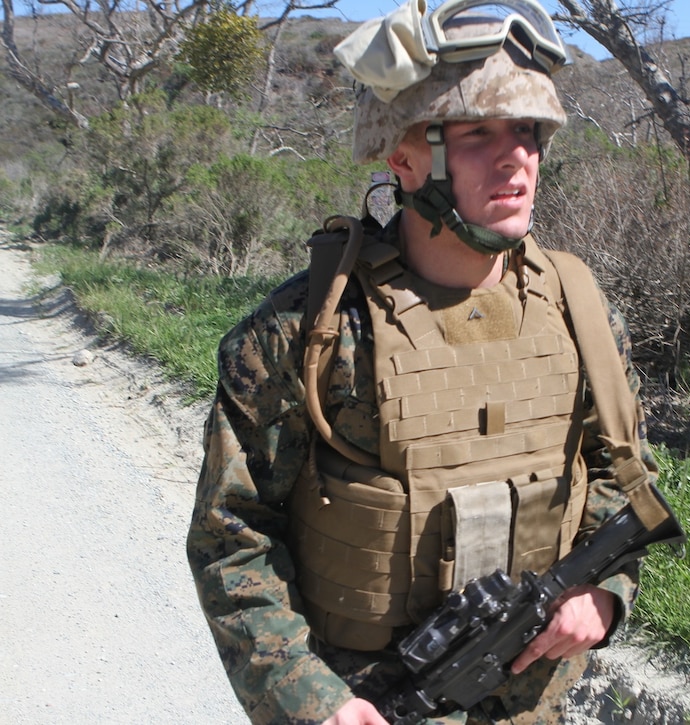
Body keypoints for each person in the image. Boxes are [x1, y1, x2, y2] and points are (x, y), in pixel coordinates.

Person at [186, 0, 658, 722]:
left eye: (529, 132)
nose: (516, 158)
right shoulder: (307, 333)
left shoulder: (581, 313)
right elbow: (233, 537)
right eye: (477, 133)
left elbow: (621, 476)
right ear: (402, 158)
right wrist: (313, 701)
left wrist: (605, 594)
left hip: (533, 703)